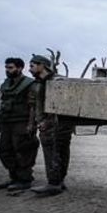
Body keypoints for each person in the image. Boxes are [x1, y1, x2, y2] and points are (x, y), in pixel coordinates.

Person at [27, 55, 73, 196]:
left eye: (32, 66)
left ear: (42, 65)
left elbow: (64, 105)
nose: (30, 69)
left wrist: (47, 122)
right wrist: (32, 123)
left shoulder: (58, 82)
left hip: (58, 125)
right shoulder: (38, 83)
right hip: (47, 125)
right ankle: (57, 182)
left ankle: (54, 183)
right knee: (54, 153)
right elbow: (34, 106)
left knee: (57, 153)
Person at [0, 57, 38, 194]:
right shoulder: (7, 83)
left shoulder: (29, 84)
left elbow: (33, 106)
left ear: (19, 68)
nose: (7, 70)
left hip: (22, 121)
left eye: (11, 68)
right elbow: (4, 104)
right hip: (7, 121)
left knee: (23, 150)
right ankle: (14, 177)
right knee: (4, 151)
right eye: (6, 68)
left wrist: (31, 124)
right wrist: (0, 122)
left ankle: (25, 180)